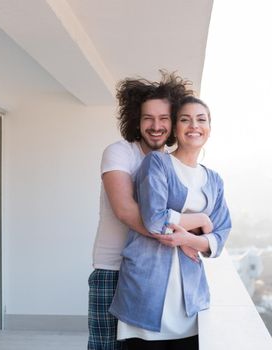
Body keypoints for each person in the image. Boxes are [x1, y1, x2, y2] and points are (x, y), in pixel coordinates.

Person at [109, 96, 232, 350]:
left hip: (189, 300)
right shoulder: (157, 163)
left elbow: (221, 235)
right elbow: (154, 219)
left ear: (209, 128)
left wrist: (187, 239)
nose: (194, 126)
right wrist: (201, 219)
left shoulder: (214, 180)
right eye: (185, 119)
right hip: (147, 292)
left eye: (201, 119)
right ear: (175, 128)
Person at [88, 72, 198, 350]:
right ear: (136, 120)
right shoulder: (120, 152)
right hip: (113, 269)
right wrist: (179, 237)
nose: (156, 126)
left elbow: (182, 213)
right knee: (105, 347)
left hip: (151, 272)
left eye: (164, 118)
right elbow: (126, 210)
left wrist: (192, 234)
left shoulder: (169, 163)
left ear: (173, 123)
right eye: (148, 118)